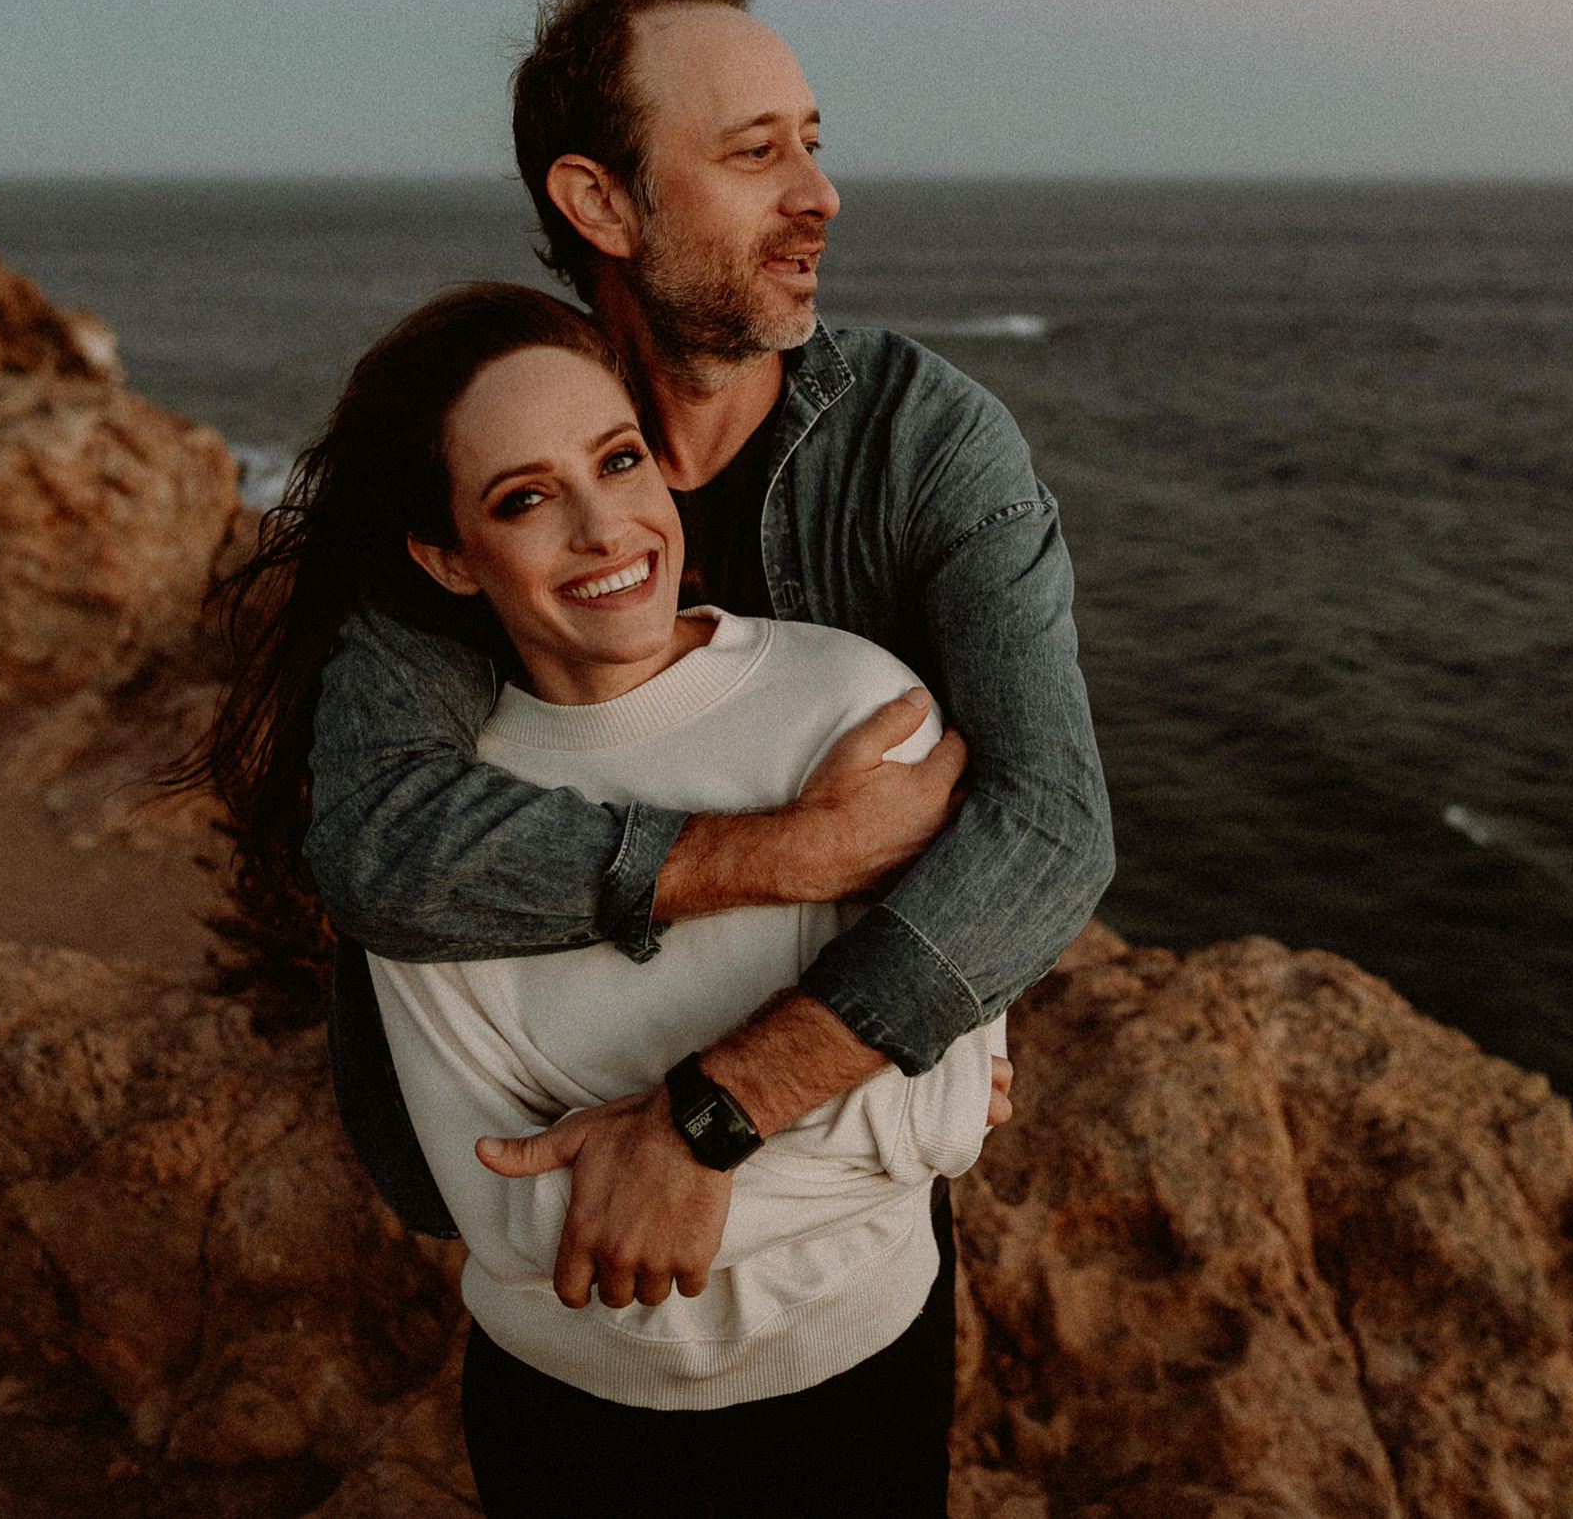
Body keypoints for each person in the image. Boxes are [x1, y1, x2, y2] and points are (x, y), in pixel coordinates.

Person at [306, 0, 1113, 1321]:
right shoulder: (495, 450)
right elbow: (377, 841)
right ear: (600, 201)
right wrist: (798, 857)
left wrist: (714, 1114)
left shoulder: (927, 448)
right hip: (536, 1205)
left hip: (835, 1241)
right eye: (756, 156)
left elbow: (1050, 831)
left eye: (811, 142)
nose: (821, 197)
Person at [191, 282, 1010, 1514]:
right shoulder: (445, 831)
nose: (601, 527)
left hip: (861, 1370)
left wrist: (676, 1155)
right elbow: (512, 1221)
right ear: (446, 556)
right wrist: (860, 1123)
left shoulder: (853, 704)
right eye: (523, 498)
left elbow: (956, 1104)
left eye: (618, 459)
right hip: (572, 1418)